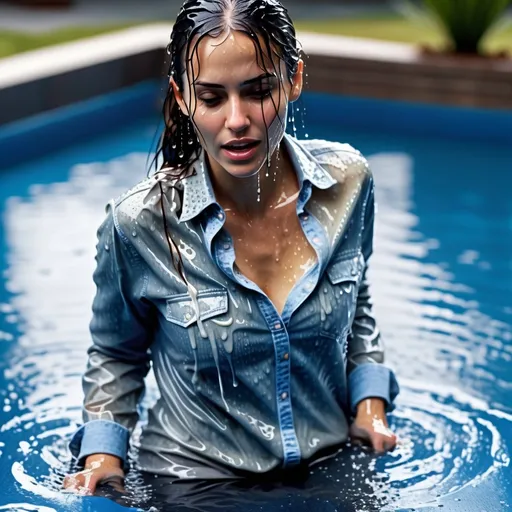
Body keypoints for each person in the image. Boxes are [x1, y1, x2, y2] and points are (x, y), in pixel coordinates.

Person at [63, 0, 400, 504]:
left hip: (332, 466)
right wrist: (103, 461)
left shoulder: (349, 185)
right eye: (212, 98)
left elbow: (358, 307)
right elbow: (115, 354)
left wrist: (369, 405)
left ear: (294, 80)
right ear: (181, 98)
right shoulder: (139, 224)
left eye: (258, 91)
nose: (237, 120)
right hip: (192, 484)